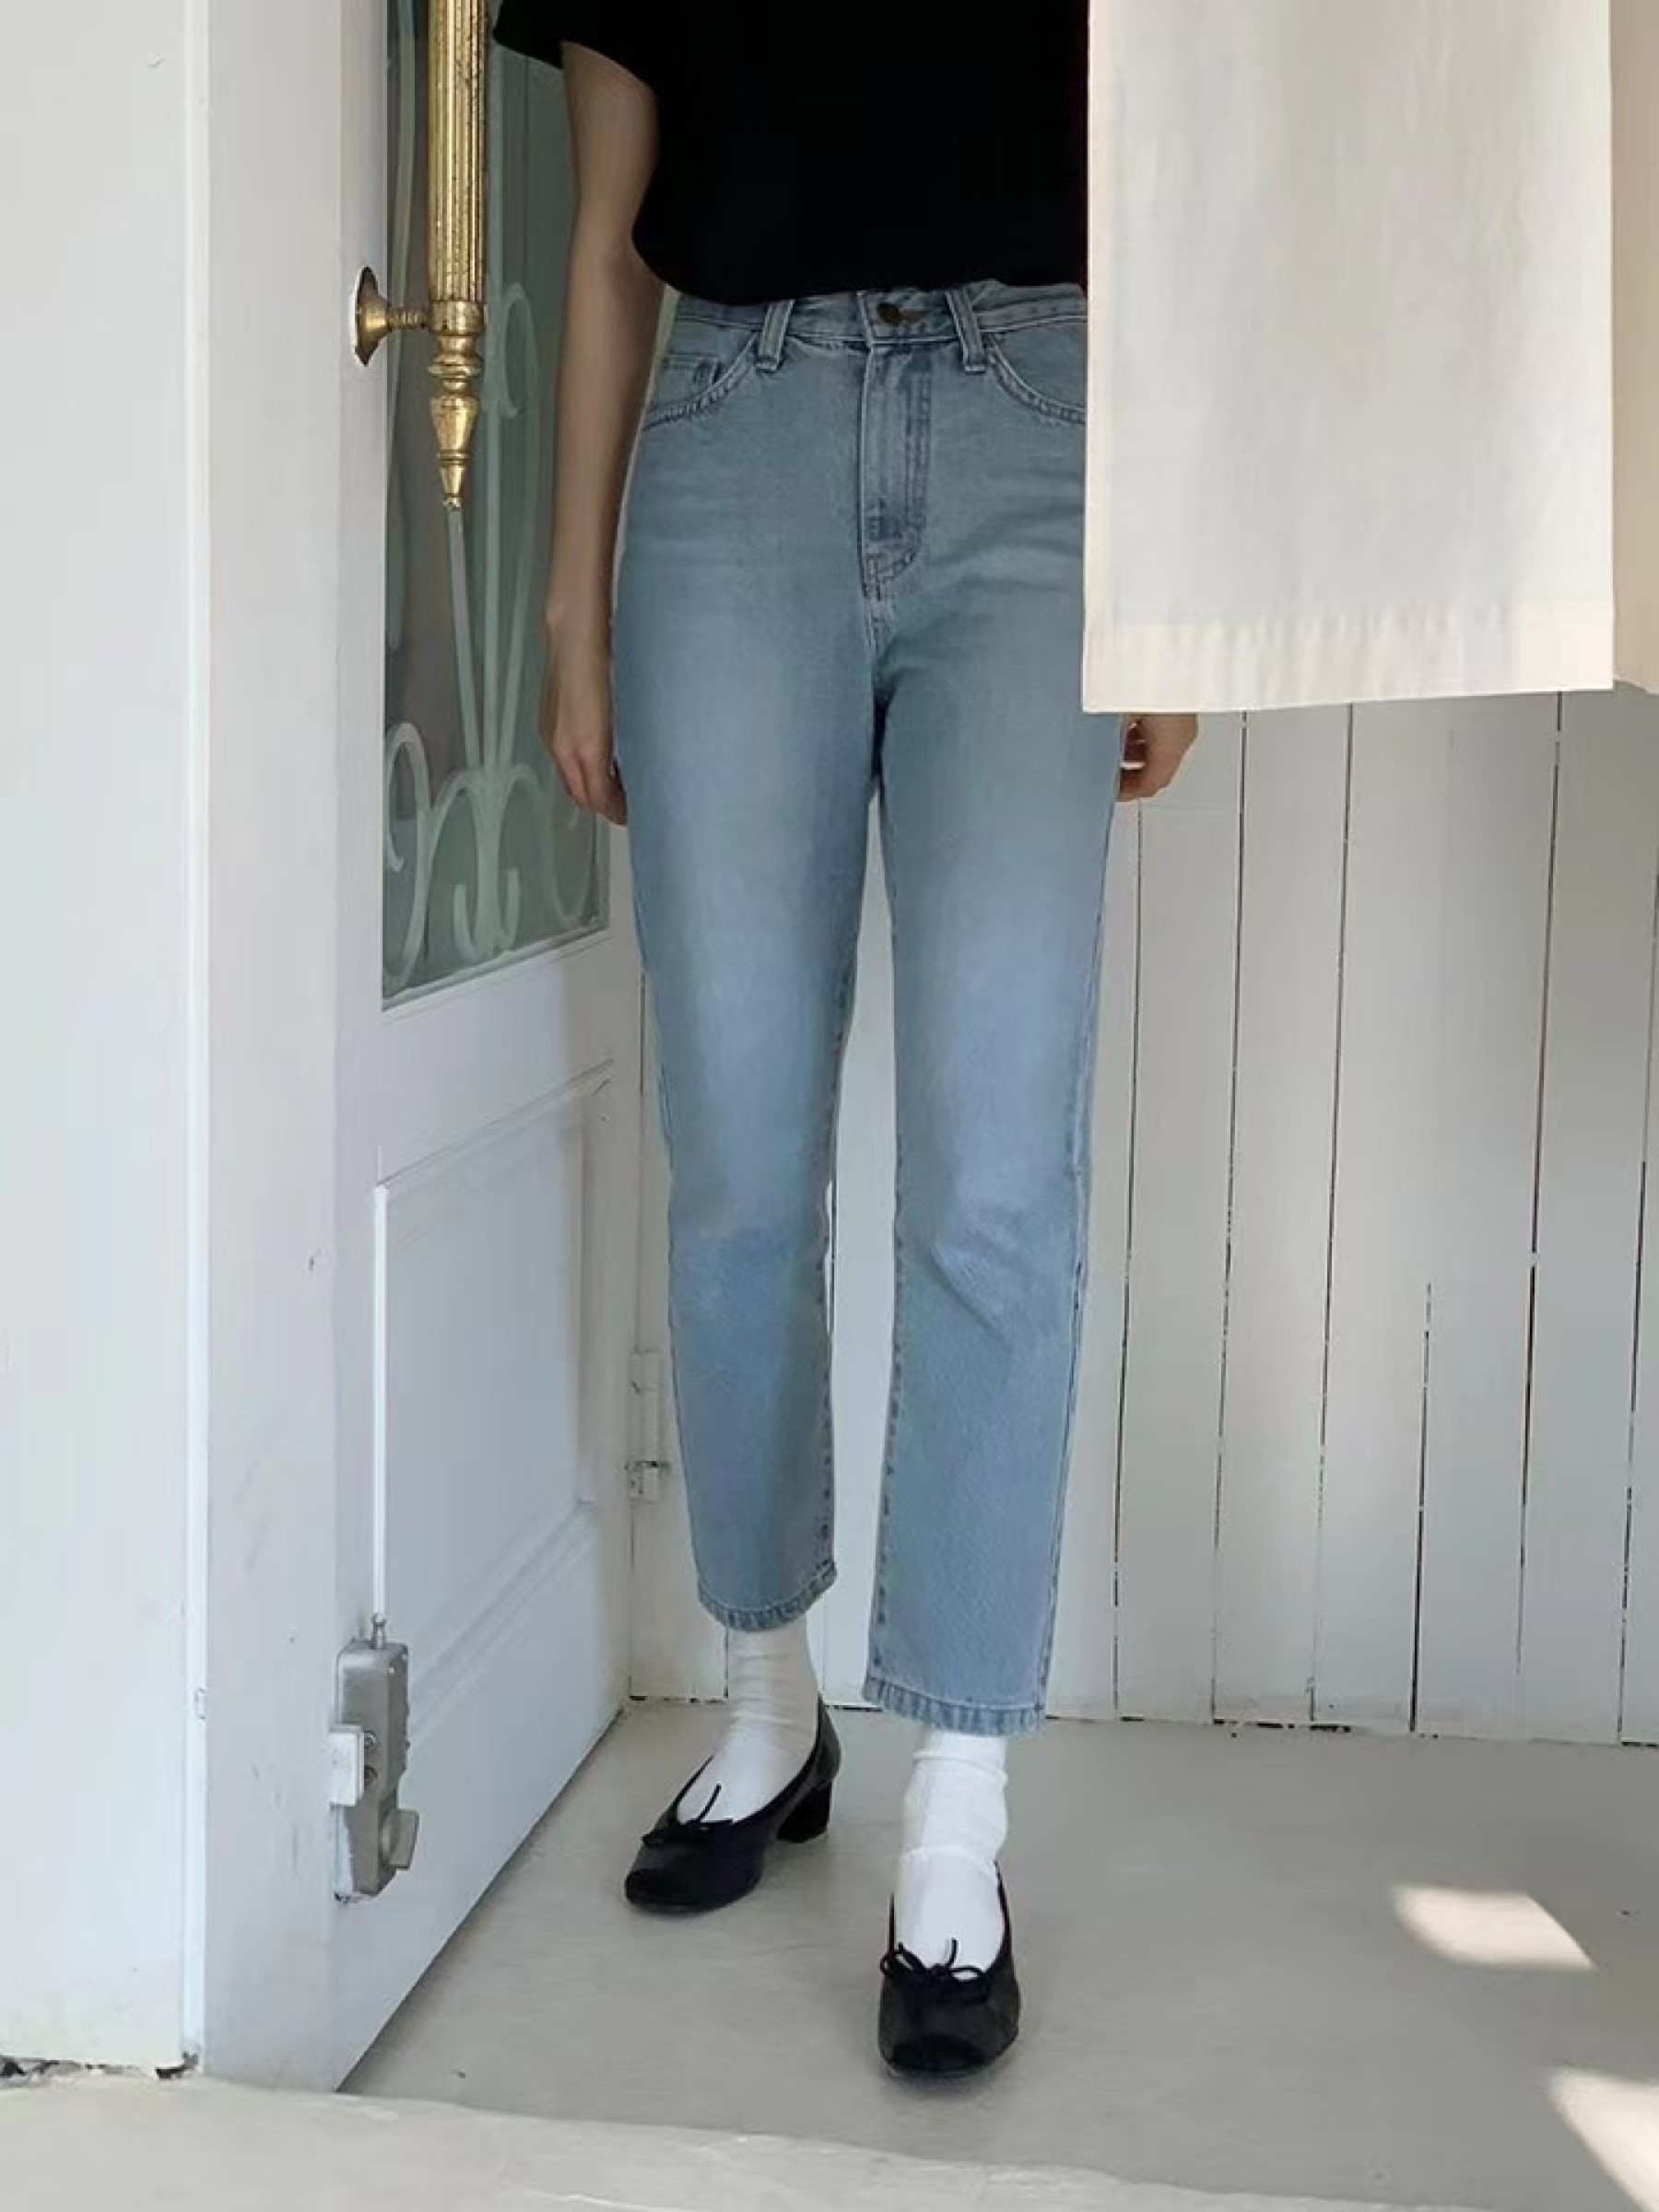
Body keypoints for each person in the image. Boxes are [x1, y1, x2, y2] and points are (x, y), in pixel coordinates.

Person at [494, 1, 1200, 2077]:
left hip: (1046, 433)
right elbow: (608, 231)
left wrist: (1184, 581)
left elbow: (1172, 187)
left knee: (995, 1173)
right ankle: (768, 1704)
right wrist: (571, 602)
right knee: (735, 1156)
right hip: (737, 439)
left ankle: (957, 1808)